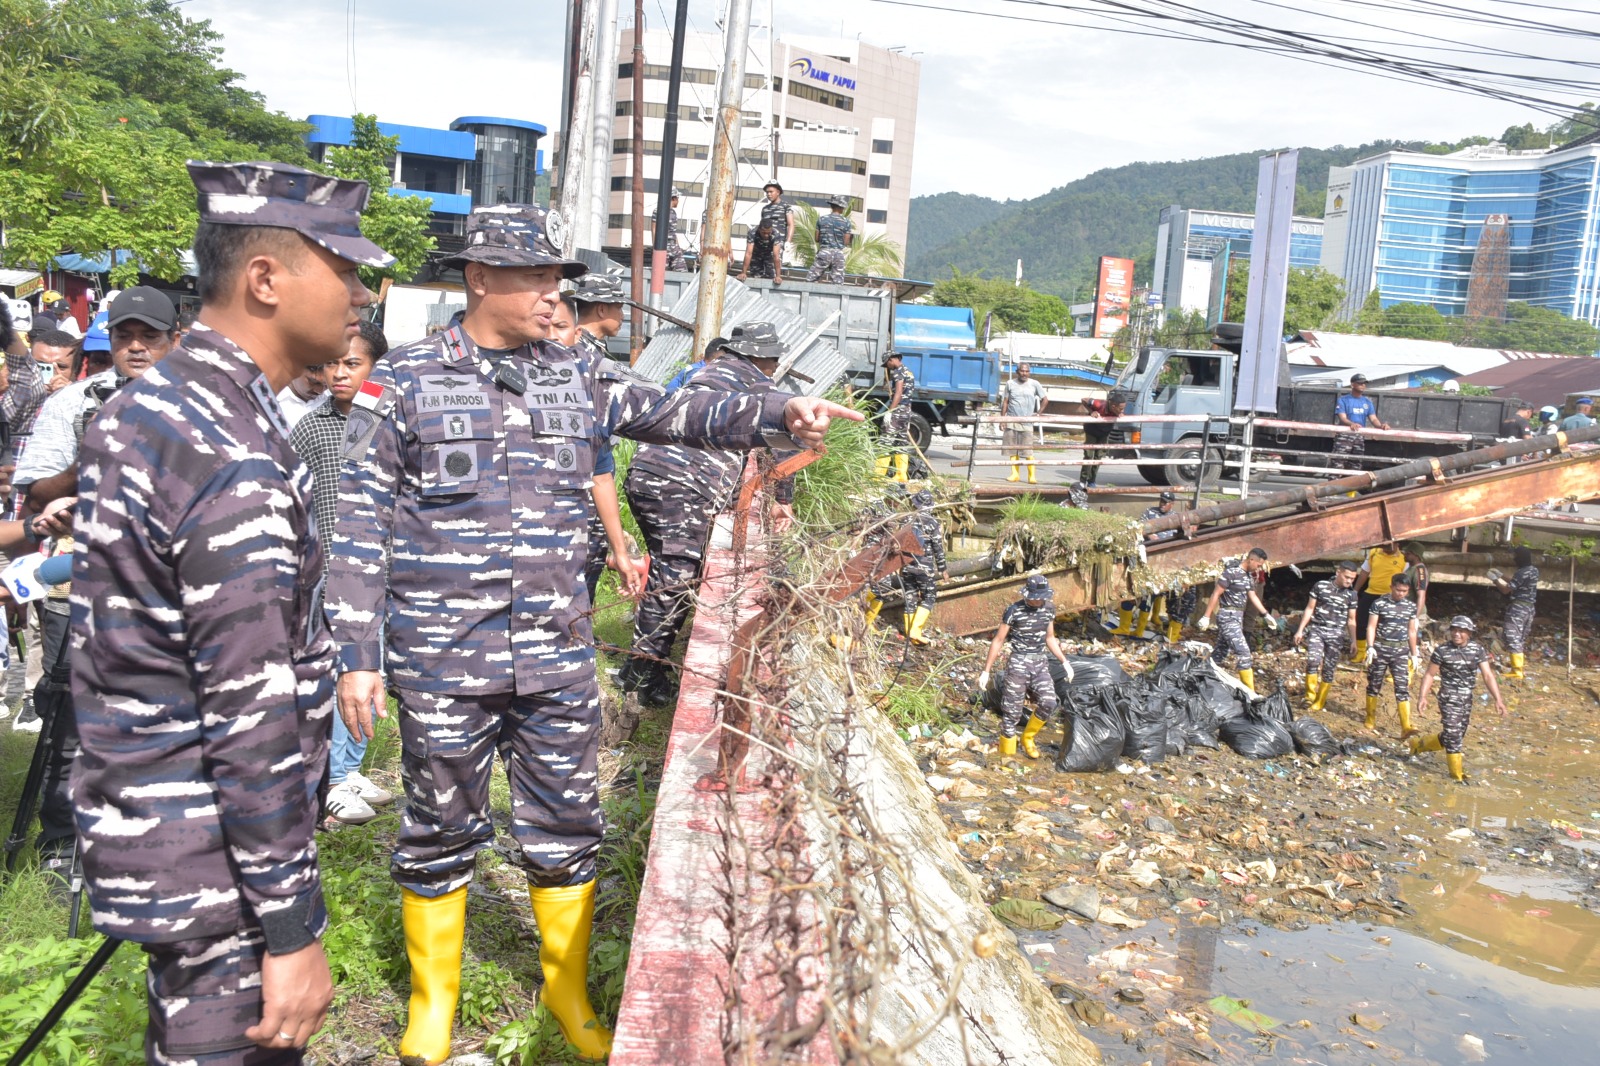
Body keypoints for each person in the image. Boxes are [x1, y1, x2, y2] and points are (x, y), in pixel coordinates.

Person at [325, 206, 859, 1064]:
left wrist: (779, 410)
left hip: (556, 649)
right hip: (441, 654)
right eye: (535, 279)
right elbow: (357, 521)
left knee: (567, 822)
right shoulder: (408, 380)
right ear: (479, 279)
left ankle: (567, 995)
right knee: (438, 826)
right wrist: (356, 655)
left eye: (558, 280)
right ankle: (433, 1005)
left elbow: (676, 411)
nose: (552, 295)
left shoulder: (576, 372)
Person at [72, 160, 394, 1062]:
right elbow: (250, 713)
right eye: (345, 269)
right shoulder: (231, 452)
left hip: (167, 832)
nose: (362, 295)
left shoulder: (158, 407)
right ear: (265, 279)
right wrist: (290, 928)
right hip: (221, 867)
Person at [10, 286, 176, 867]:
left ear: (174, 341)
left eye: (150, 336)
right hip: (76, 588)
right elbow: (35, 493)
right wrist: (89, 463)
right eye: (125, 336)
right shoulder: (76, 404)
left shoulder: (203, 408)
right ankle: (62, 843)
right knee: (69, 721)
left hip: (167, 598)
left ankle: (145, 848)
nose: (137, 347)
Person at [620, 323, 798, 705]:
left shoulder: (706, 372)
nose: (775, 365)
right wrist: (783, 500)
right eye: (773, 358)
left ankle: (644, 663)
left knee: (669, 573)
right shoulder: (758, 383)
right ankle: (641, 677)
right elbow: (785, 444)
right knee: (675, 580)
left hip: (646, 474)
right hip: (683, 486)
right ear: (760, 357)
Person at [289, 319, 397, 827]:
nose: (338, 373)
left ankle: (349, 768)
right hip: (332, 574)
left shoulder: (393, 420)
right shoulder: (311, 428)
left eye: (352, 364)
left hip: (391, 569)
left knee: (375, 671)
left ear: (377, 368)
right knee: (344, 671)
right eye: (332, 363)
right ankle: (332, 780)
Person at [569, 275, 644, 607]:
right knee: (580, 574)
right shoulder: (585, 358)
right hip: (583, 489)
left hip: (593, 480)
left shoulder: (592, 352)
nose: (623, 316)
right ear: (601, 309)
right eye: (619, 308)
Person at [977, 574, 1074, 758]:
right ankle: (1007, 759)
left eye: (1040, 598)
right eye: (1034, 597)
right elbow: (998, 640)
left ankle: (1028, 737)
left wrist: (1065, 661)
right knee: (1011, 713)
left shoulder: (1049, 609)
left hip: (1040, 663)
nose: (1037, 601)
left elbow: (1050, 638)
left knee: (1049, 702)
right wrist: (986, 671)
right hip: (1018, 663)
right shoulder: (1014, 610)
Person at [1411, 616, 1507, 783]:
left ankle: (1418, 745)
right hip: (1448, 696)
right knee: (1454, 736)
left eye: (1461, 631)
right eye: (1454, 630)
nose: (1457, 634)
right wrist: (1422, 697)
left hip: (1466, 697)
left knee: (1455, 735)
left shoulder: (1477, 650)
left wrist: (1498, 700)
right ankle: (1456, 775)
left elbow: (1487, 675)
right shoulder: (1442, 651)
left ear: (1469, 633)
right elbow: (1429, 674)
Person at [1197, 547, 1278, 693]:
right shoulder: (1231, 573)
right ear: (1251, 560)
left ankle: (1199, 676)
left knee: (1220, 651)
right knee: (1244, 653)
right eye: (1258, 565)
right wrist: (1206, 616)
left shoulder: (1248, 577)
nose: (1259, 568)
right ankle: (1250, 693)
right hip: (1227, 616)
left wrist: (1266, 614)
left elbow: (1253, 596)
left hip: (1237, 617)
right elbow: (1216, 593)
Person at [1293, 559, 1359, 711]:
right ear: (1338, 572)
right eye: (1347, 577)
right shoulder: (1321, 586)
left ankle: (1320, 701)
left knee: (1329, 668)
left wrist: (1354, 640)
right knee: (1313, 660)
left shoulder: (1352, 595)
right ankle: (1309, 696)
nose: (1349, 581)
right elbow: (1310, 608)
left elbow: (1351, 619)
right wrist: (1300, 630)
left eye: (1352, 579)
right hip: (1318, 629)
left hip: (1337, 633)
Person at [1363, 572, 1420, 737]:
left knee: (1402, 686)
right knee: (1374, 683)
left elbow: (1411, 631)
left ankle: (1405, 725)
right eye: (1398, 590)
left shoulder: (1410, 607)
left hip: (1400, 651)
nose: (1401, 593)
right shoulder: (1379, 604)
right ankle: (1370, 718)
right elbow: (1371, 626)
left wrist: (1414, 654)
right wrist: (1370, 647)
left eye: (1404, 591)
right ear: (1391, 587)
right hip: (1381, 648)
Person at [900, 487, 949, 646]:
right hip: (924, 567)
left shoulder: (906, 520)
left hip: (907, 565)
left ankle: (909, 631)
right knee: (929, 596)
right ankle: (915, 632)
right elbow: (937, 547)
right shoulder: (932, 523)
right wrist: (942, 569)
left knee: (910, 597)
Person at [1351, 540, 1406, 665]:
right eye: (1384, 545)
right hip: (1371, 593)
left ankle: (1380, 654)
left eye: (1389, 546)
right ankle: (1361, 652)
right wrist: (1355, 590)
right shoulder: (1374, 553)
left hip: (1389, 597)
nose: (1386, 548)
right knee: (1361, 622)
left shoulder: (1403, 558)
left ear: (1397, 544)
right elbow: (1364, 572)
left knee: (1385, 625)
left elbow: (1405, 581)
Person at [1488, 546, 1538, 679]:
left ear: (1520, 557)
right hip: (1529, 608)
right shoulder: (1533, 570)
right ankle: (1518, 669)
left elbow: (1506, 590)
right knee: (1520, 638)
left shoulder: (1521, 572)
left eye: (1515, 556)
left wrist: (1494, 580)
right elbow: (1516, 582)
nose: (1514, 558)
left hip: (1518, 608)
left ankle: (1517, 672)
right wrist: (1501, 575)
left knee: (1512, 636)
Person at [1000, 364, 1049, 483]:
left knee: (1028, 450)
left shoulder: (1034, 384)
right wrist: (1002, 419)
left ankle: (1032, 476)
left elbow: (1045, 400)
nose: (1024, 373)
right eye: (1022, 371)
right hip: (1011, 420)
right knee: (1012, 449)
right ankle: (1015, 474)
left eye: (1026, 371)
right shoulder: (1010, 383)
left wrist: (1038, 414)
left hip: (1027, 422)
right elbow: (1005, 402)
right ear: (1017, 371)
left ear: (1029, 372)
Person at [1332, 373, 1389, 472]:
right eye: (1360, 383)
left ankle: (1352, 482)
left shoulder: (1367, 402)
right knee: (1338, 463)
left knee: (1356, 465)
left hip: (1359, 437)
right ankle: (1335, 482)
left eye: (1364, 383)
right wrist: (1351, 424)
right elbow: (1342, 418)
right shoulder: (1343, 400)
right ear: (1352, 384)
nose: (1363, 385)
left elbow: (1373, 419)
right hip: (1344, 436)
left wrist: (1381, 426)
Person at [877, 350, 915, 481]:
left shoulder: (898, 372)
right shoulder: (908, 371)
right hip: (906, 410)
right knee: (901, 442)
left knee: (885, 441)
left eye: (887, 364)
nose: (887, 367)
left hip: (898, 411)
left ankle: (878, 475)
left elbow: (898, 393)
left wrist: (890, 412)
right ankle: (900, 475)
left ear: (891, 359)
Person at [1078, 390, 1127, 487]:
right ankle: (1083, 481)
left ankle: (1092, 480)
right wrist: (1092, 411)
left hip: (1104, 433)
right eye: (1121, 409)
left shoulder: (1116, 411)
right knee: (1089, 455)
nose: (1122, 411)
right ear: (1113, 406)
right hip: (1092, 431)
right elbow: (1083, 400)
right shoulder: (1099, 404)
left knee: (1099, 456)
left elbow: (1121, 413)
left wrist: (1120, 414)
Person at [807, 194, 854, 284]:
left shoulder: (822, 219)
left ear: (831, 206)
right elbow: (846, 241)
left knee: (811, 280)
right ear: (841, 207)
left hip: (824, 252)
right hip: (838, 254)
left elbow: (817, 238)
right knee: (837, 283)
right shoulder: (846, 222)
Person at [276, 360, 328, 428]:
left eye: (326, 385)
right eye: (313, 382)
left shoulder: (333, 402)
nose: (320, 391)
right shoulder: (272, 399)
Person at [758, 180, 794, 276]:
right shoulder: (765, 209)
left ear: (778, 192)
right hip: (764, 243)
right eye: (767, 192)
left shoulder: (786, 206)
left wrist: (788, 241)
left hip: (778, 242)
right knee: (760, 269)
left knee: (773, 269)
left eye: (771, 192)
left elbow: (791, 224)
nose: (768, 194)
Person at [738, 218, 779, 283]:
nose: (766, 235)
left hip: (769, 254)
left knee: (771, 276)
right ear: (759, 229)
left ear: (771, 230)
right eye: (763, 233)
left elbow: (776, 255)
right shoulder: (752, 232)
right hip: (756, 254)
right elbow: (748, 253)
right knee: (756, 277)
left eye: (768, 233)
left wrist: (778, 276)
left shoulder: (776, 233)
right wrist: (743, 272)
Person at [661, 186, 689, 271]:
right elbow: (654, 230)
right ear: (674, 198)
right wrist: (656, 248)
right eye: (677, 198)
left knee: (682, 270)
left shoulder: (673, 213)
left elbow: (673, 232)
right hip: (663, 246)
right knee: (661, 271)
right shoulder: (659, 211)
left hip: (674, 247)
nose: (678, 201)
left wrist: (678, 246)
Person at [1402, 542, 1431, 621]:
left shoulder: (1419, 570)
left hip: (1414, 614)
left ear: (1416, 555)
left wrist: (1415, 618)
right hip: (1407, 612)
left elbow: (1421, 595)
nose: (1404, 554)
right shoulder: (1410, 568)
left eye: (1408, 553)